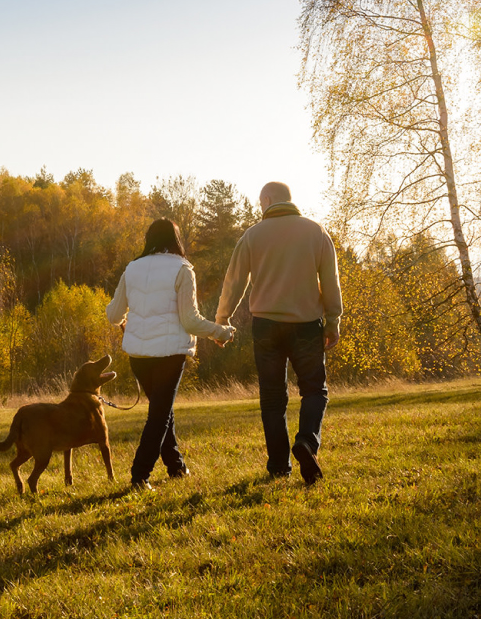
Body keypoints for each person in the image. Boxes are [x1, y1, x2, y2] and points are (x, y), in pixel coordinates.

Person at [215, 181, 343, 485]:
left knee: (272, 398)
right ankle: (307, 442)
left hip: (266, 326)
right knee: (314, 390)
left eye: (261, 203)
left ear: (267, 200)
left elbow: (234, 282)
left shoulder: (252, 235)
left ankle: (278, 466)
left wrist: (222, 319)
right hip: (306, 325)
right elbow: (330, 279)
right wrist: (333, 319)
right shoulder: (315, 231)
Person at [106, 218, 235, 491]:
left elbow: (114, 315)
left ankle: (176, 465)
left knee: (161, 410)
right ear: (176, 239)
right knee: (160, 415)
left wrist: (129, 317)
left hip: (138, 356)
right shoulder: (183, 268)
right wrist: (220, 332)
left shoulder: (132, 268)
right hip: (169, 355)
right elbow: (190, 320)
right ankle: (139, 476)